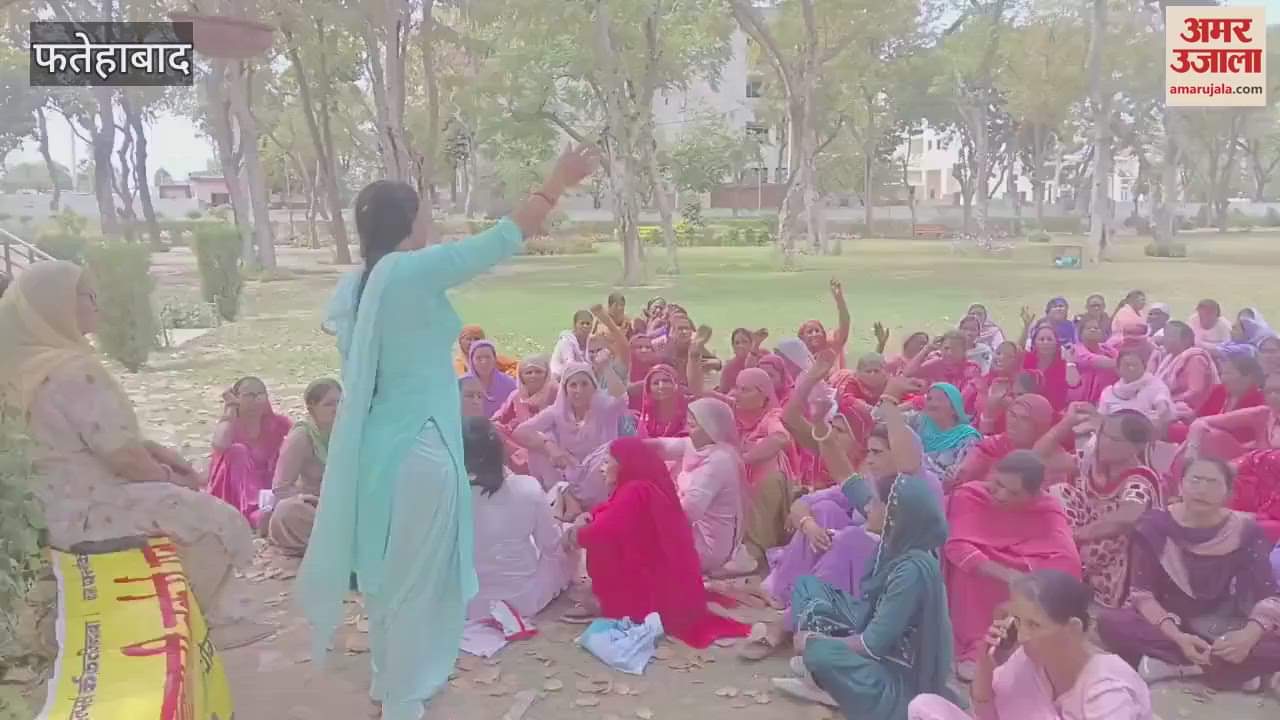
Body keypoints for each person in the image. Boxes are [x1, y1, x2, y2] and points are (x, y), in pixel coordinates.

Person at [300, 144, 598, 720]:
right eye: (423, 213)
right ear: (407, 221)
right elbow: (500, 240)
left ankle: (392, 684)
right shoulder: (407, 271)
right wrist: (556, 179)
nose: (430, 222)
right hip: (420, 450)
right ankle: (404, 703)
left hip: (377, 451)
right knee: (417, 583)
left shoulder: (359, 284)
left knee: (390, 578)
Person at [0, 260, 271, 649]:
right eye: (88, 296)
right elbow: (123, 457)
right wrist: (172, 478)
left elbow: (78, 441)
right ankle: (203, 626)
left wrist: (157, 456)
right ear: (57, 305)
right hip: (84, 511)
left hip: (40, 507)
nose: (97, 305)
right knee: (212, 518)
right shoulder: (72, 370)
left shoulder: (20, 369)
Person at [773, 397, 958, 718]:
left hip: (898, 676)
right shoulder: (896, 528)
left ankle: (831, 682)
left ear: (893, 515)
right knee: (807, 587)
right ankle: (826, 672)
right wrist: (821, 427)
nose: (868, 507)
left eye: (875, 506)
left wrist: (816, 642)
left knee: (818, 652)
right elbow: (847, 478)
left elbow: (875, 644)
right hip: (875, 632)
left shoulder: (910, 568)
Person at [1098, 458, 1280, 691]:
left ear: (1228, 492)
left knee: (1268, 638)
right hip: (1169, 622)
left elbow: (1269, 594)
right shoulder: (1155, 526)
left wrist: (1248, 636)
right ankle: (1226, 670)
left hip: (1225, 625)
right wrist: (1178, 637)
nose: (1202, 490)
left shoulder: (1245, 531)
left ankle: (1179, 665)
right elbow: (1142, 594)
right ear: (1180, 485)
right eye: (1195, 480)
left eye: (1213, 483)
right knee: (1111, 622)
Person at [564, 438, 751, 647]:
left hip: (654, 587)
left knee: (601, 541)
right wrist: (588, 520)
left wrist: (574, 536)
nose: (602, 468)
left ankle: (611, 602)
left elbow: (602, 531)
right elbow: (611, 516)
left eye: (607, 462)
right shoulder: (643, 485)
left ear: (624, 464)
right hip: (665, 578)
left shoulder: (635, 490)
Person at [910, 570, 1156, 720]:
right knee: (924, 706)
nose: (1023, 636)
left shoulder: (1108, 690)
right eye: (1018, 622)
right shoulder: (1027, 660)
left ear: (1073, 628)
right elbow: (987, 715)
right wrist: (985, 663)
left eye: (1034, 625)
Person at [944, 452, 1082, 673]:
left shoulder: (1046, 508)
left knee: (1049, 581)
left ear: (1033, 494)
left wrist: (1031, 579)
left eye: (1013, 492)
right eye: (997, 484)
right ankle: (976, 647)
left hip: (1022, 572)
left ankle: (1022, 643)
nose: (1000, 494)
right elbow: (957, 546)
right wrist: (1007, 575)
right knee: (969, 571)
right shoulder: (970, 495)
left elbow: (1067, 558)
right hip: (986, 568)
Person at [1042, 406, 1162, 608]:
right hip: (1085, 544)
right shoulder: (1092, 462)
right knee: (1060, 492)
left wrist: (1072, 536)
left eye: (1114, 439)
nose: (1104, 443)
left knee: (1115, 532)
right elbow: (1039, 458)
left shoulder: (1141, 479)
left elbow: (1126, 518)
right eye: (1102, 434)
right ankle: (1068, 567)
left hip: (1119, 563)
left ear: (1137, 447)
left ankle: (1069, 571)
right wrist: (1066, 424)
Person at [689, 341, 794, 561]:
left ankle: (754, 550)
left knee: (770, 476)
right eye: (737, 387)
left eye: (744, 390)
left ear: (763, 394)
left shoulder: (771, 415)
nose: (737, 393)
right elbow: (698, 392)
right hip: (736, 482)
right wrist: (694, 356)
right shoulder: (733, 407)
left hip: (762, 482)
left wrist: (743, 459)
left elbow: (781, 437)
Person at [463, 417, 575, 622]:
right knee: (567, 546)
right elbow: (551, 546)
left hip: (470, 603)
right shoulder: (527, 487)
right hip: (523, 599)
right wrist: (560, 522)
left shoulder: (452, 497)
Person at [641, 397, 747, 575]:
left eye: (693, 425)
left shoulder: (719, 461)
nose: (688, 430)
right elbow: (664, 446)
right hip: (689, 527)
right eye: (688, 424)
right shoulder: (698, 445)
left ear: (711, 429)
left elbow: (688, 512)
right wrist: (628, 447)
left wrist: (646, 513)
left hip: (708, 544)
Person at [514, 359, 628, 509]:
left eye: (584, 384)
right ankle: (560, 500)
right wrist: (549, 446)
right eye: (573, 385)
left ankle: (585, 505)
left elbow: (621, 397)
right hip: (568, 473)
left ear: (593, 386)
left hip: (598, 476)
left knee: (606, 454)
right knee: (538, 449)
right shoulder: (557, 411)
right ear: (565, 389)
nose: (578, 390)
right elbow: (520, 433)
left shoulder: (604, 407)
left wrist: (606, 367)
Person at [265, 378, 341, 556]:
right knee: (288, 512)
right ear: (311, 407)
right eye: (329, 404)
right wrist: (317, 501)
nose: (336, 408)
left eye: (340, 402)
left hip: (348, 502)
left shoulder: (349, 430)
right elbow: (281, 489)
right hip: (315, 505)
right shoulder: (302, 436)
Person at [207, 376, 293, 528]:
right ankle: (252, 512)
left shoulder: (279, 424)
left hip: (269, 488)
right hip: (235, 490)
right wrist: (230, 408)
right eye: (249, 395)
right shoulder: (231, 424)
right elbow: (220, 445)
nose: (256, 400)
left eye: (261, 394)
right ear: (236, 398)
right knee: (237, 451)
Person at [950, 394, 1066, 490]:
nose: (1013, 423)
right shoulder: (993, 445)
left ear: (1041, 426)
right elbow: (963, 477)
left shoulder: (1054, 458)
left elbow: (1042, 498)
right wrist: (957, 475)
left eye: (1024, 419)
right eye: (1012, 415)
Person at [880, 379, 982, 486]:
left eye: (939, 399)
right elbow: (879, 419)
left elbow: (958, 476)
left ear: (954, 407)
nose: (932, 404)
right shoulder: (919, 420)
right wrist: (892, 396)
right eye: (929, 399)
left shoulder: (968, 437)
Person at [1165, 353, 1265, 447]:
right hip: (1205, 438)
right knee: (1170, 428)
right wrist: (1186, 415)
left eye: (1228, 373)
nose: (1223, 378)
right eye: (1222, 374)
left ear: (1248, 378)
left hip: (1235, 447)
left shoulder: (1260, 400)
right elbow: (1199, 417)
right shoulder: (1219, 391)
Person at [492, 354, 557, 474]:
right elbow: (500, 417)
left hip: (550, 445)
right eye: (529, 372)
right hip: (523, 444)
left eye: (538, 371)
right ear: (521, 376)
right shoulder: (516, 395)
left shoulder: (556, 393)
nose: (534, 376)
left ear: (547, 374)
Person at [1155, 320, 1221, 423]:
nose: (1165, 340)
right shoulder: (1170, 357)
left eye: (1170, 336)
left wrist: (1170, 400)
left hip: (1192, 414)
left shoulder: (1195, 359)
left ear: (1186, 340)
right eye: (1165, 335)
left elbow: (1195, 393)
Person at [1098, 348, 1175, 431]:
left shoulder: (1156, 386)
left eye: (1135, 365)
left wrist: (1161, 411)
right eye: (1127, 365)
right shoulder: (1108, 392)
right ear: (1118, 370)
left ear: (1144, 367)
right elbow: (1101, 419)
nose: (1131, 369)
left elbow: (1162, 408)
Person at [1020, 316, 1081, 411]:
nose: (1045, 342)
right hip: (1028, 411)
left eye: (1049, 339)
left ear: (1056, 342)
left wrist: (1070, 362)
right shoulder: (1028, 359)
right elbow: (1016, 352)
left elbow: (1074, 383)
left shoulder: (1063, 362)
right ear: (1034, 343)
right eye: (1041, 339)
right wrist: (1026, 328)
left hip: (1055, 411)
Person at [798, 279, 852, 372]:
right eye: (809, 332)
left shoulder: (831, 346)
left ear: (824, 335)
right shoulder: (798, 355)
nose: (814, 334)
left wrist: (839, 300)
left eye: (817, 331)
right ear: (802, 338)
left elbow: (845, 324)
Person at [905, 330, 982, 391]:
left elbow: (962, 399)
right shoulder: (936, 364)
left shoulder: (972, 369)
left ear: (964, 351)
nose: (949, 353)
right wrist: (926, 350)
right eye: (946, 348)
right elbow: (908, 373)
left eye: (955, 350)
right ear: (940, 348)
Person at [1071, 316, 1119, 404]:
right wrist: (1122, 363)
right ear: (1080, 333)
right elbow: (1096, 361)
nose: (1093, 330)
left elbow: (1121, 357)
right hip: (1085, 400)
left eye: (1096, 328)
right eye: (1088, 328)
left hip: (1110, 397)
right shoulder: (1076, 350)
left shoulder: (1107, 348)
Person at [463, 339, 518, 417]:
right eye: (479, 358)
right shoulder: (462, 384)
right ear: (471, 361)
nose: (484, 362)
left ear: (495, 359)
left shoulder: (509, 384)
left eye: (488, 357)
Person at [636, 364, 689, 439]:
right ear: (648, 389)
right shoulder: (646, 415)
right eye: (656, 383)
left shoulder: (689, 409)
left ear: (676, 383)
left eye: (666, 381)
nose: (661, 386)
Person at [453, 325, 518, 378]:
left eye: (477, 339)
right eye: (468, 339)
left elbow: (519, 366)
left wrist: (511, 373)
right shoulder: (459, 363)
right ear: (460, 342)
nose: (472, 342)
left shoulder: (493, 358)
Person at [718, 327, 768, 394]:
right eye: (737, 343)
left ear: (751, 343)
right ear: (733, 347)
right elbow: (723, 392)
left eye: (744, 342)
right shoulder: (729, 368)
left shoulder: (764, 355)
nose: (741, 345)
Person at [550, 309, 594, 380]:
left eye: (588, 323)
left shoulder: (592, 340)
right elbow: (570, 364)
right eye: (582, 323)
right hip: (559, 376)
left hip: (581, 377)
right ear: (575, 325)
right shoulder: (566, 341)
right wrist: (589, 367)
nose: (585, 326)